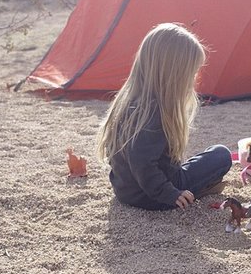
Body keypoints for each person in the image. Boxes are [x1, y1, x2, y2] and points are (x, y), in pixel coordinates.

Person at [97, 23, 232, 210]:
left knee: (185, 161)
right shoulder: (153, 113)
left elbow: (135, 159)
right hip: (152, 195)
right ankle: (196, 189)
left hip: (126, 190)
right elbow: (143, 165)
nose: (194, 79)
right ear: (174, 75)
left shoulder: (131, 103)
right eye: (191, 73)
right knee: (221, 155)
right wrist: (170, 194)